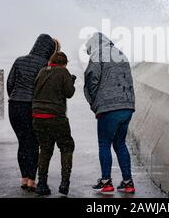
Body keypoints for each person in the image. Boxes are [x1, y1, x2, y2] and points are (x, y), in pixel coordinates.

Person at [84, 32, 136, 194]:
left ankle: (106, 181)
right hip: (127, 106)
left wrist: (94, 103)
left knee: (104, 143)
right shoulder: (121, 54)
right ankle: (128, 182)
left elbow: (91, 79)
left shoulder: (97, 55)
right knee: (120, 143)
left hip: (109, 108)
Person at [7, 34, 59, 191]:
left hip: (14, 106)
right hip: (32, 107)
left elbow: (10, 83)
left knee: (22, 142)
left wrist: (16, 97)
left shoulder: (19, 60)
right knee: (34, 143)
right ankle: (31, 180)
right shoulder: (45, 65)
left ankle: (24, 178)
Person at [32, 52, 76, 196]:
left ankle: (42, 184)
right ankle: (64, 183)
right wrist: (71, 81)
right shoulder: (63, 71)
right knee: (66, 147)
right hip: (56, 117)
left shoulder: (42, 71)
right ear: (64, 63)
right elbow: (69, 93)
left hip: (38, 116)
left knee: (45, 149)